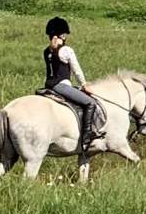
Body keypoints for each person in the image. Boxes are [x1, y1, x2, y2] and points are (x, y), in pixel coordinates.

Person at [43, 17, 103, 153]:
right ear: (63, 35)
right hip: (62, 86)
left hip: (48, 86)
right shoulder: (66, 50)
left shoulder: (46, 51)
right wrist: (84, 84)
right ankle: (87, 138)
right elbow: (76, 69)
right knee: (90, 103)